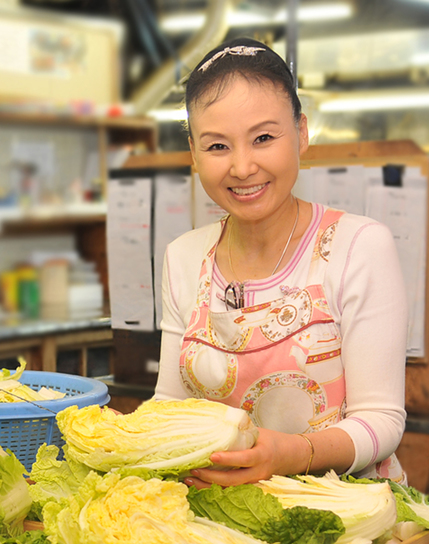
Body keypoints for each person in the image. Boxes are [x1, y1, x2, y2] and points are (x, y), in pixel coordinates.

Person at [153, 38, 408, 488]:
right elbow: (171, 407)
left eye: (264, 138)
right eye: (217, 147)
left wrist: (289, 455)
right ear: (193, 152)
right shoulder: (184, 257)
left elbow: (382, 421)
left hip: (344, 516)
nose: (242, 166)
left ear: (302, 133)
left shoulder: (359, 247)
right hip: (225, 517)